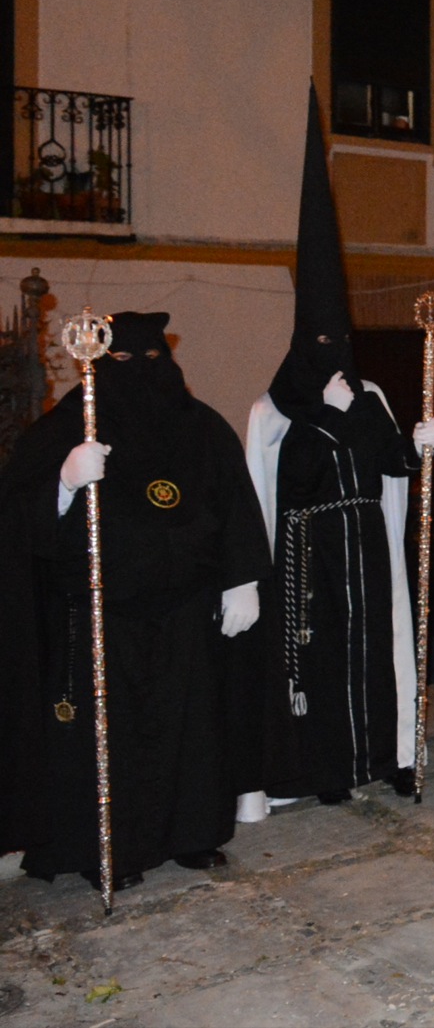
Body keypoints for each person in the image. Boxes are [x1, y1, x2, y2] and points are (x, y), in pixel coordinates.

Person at [0, 312, 270, 888]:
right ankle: (108, 849)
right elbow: (18, 517)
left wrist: (241, 579)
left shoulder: (201, 427)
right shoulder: (66, 427)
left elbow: (235, 503)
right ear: (98, 366)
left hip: (186, 612)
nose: (142, 373)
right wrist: (65, 483)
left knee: (191, 732)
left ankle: (193, 834)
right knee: (110, 738)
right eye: (122, 362)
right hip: (102, 615)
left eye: (153, 361)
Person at [241, 95, 434, 815]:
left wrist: (409, 444)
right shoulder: (276, 410)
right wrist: (328, 417)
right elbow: (285, 481)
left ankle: (388, 757)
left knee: (377, 652)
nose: (333, 356)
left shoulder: (368, 394)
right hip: (311, 551)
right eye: (319, 346)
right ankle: (327, 766)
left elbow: (392, 464)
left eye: (339, 345)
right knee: (323, 663)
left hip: (366, 541)